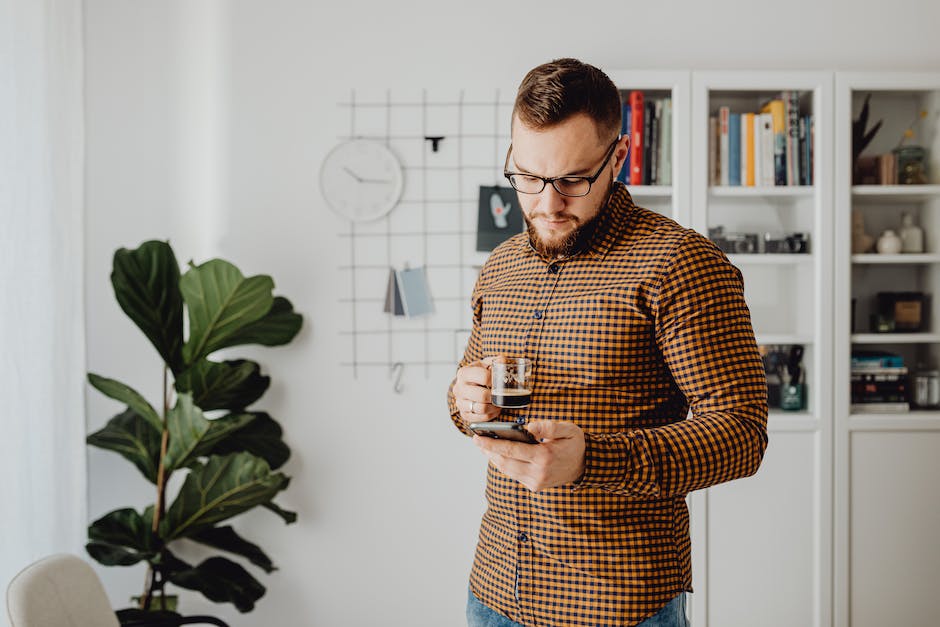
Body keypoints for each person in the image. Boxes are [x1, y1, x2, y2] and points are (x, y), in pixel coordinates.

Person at [447, 58, 768, 627]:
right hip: (494, 590)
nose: (547, 203)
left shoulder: (680, 263)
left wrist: (593, 459)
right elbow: (466, 400)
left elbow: (742, 433)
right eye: (526, 175)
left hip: (617, 603)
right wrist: (464, 399)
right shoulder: (500, 267)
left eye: (572, 180)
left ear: (618, 158)